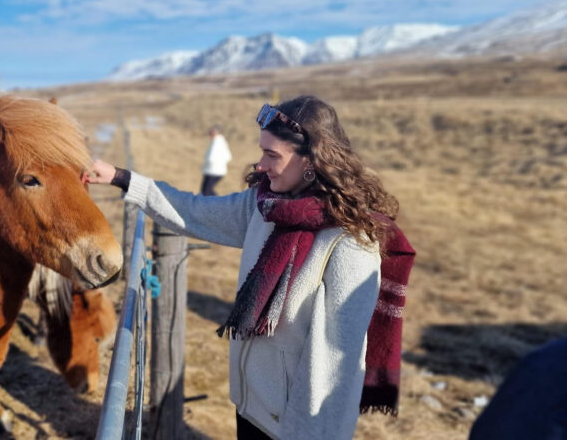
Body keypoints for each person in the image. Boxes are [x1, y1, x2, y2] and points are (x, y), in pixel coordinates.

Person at [85, 96, 415, 440]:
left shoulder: (350, 241)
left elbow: (335, 365)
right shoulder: (263, 206)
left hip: (296, 427)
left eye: (272, 155)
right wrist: (122, 178)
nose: (261, 165)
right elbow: (194, 211)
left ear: (312, 161)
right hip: (250, 407)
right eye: (262, 151)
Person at [200, 125, 232, 195]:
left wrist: (214, 163)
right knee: (205, 191)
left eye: (211, 133)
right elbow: (228, 157)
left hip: (214, 171)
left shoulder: (217, 142)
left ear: (216, 133)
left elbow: (211, 157)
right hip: (213, 170)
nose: (209, 135)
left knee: (206, 191)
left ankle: (219, 204)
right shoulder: (219, 141)